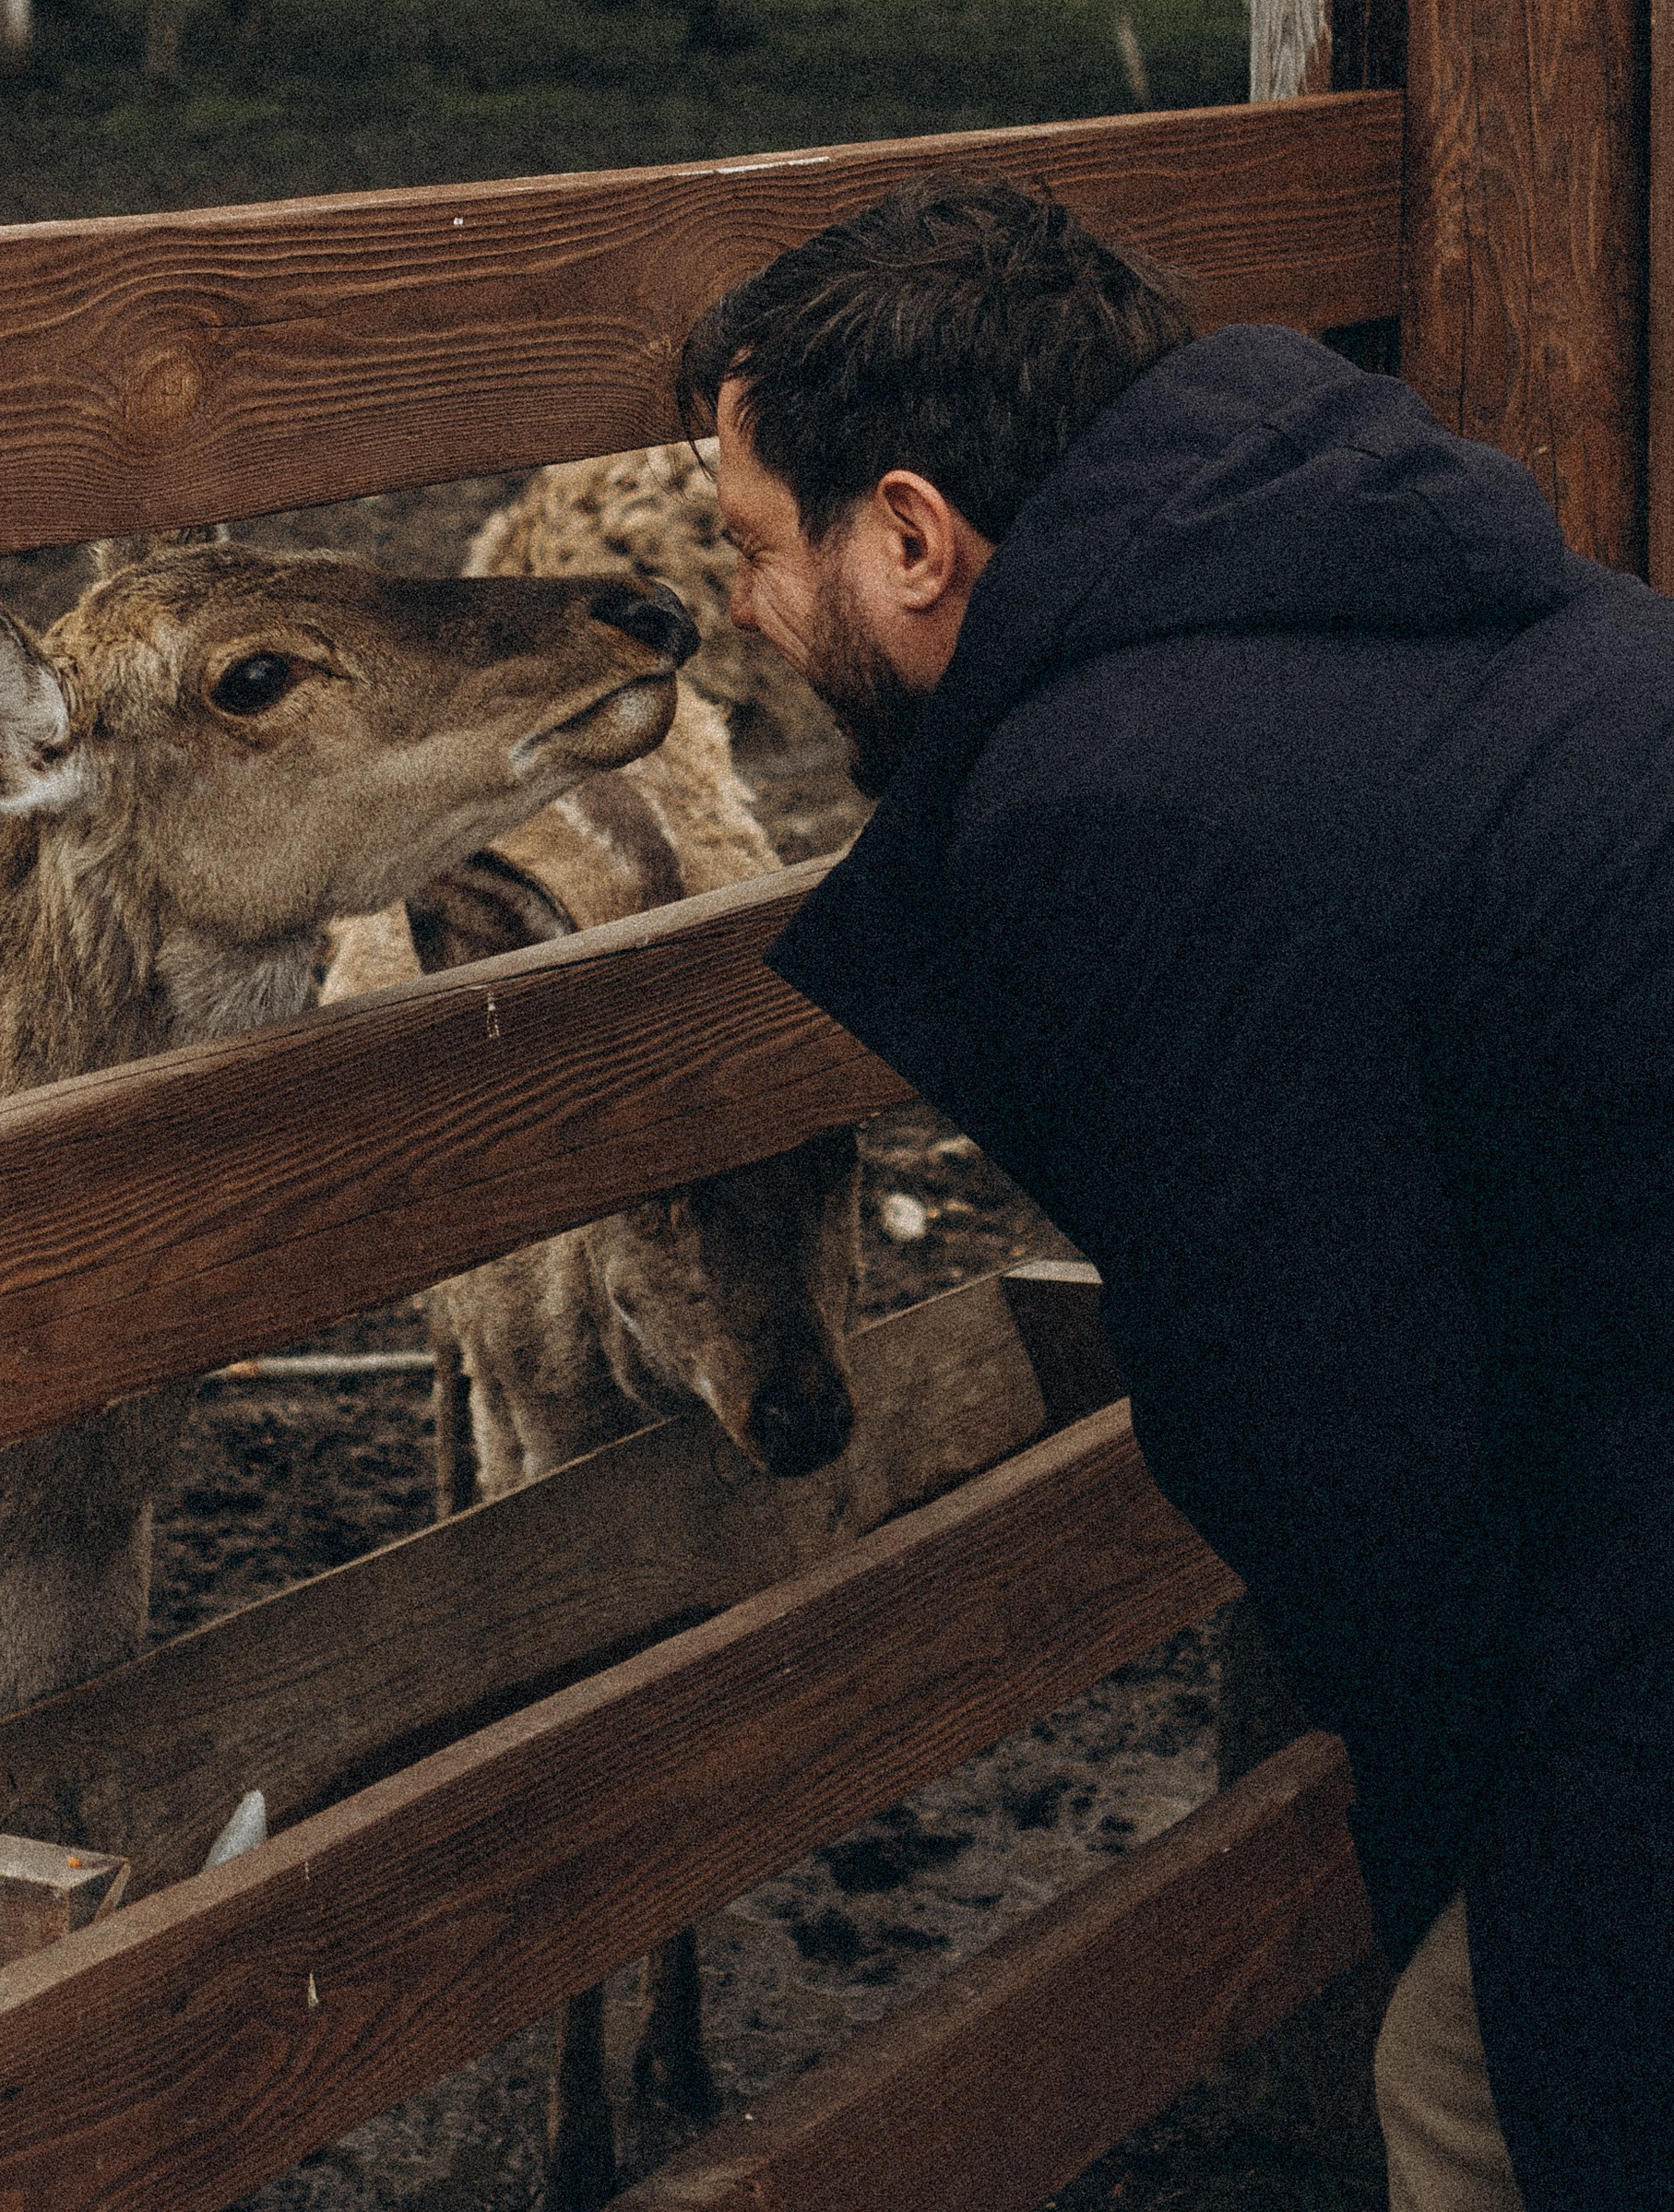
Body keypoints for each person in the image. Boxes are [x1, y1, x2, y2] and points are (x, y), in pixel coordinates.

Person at [676, 173, 1674, 2212]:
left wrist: (1490, 1811)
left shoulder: (1114, 808)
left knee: (1490, 2098)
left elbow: (1324, 1427)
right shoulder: (1402, 568)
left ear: (910, 536)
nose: (745, 613)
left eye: (756, 547)